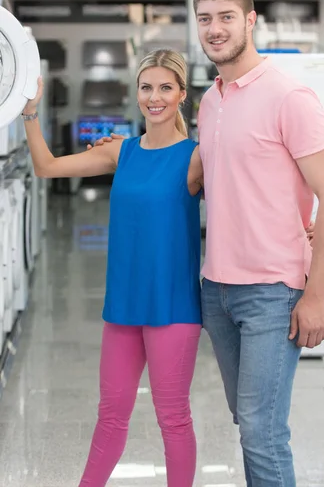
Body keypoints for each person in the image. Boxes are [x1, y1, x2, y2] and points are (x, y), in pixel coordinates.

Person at [98, 0, 324, 487]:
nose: (215, 28)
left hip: (272, 292)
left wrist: (317, 293)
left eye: (226, 17)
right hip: (216, 291)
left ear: (250, 20)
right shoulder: (209, 104)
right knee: (248, 421)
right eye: (205, 18)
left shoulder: (289, 97)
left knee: (261, 431)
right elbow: (222, 185)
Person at [23, 49, 204, 487]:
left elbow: (245, 194)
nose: (154, 97)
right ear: (136, 93)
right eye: (146, 88)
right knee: (110, 417)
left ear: (181, 94)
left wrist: (301, 223)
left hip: (173, 306)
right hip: (122, 305)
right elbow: (46, 167)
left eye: (165, 88)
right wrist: (30, 112)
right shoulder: (119, 152)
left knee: (173, 418)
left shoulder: (196, 157)